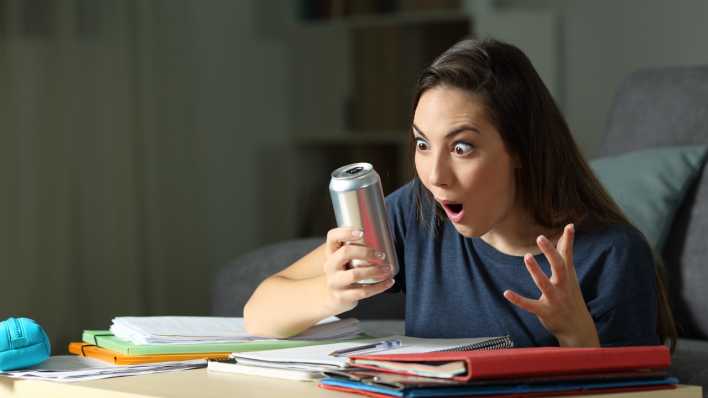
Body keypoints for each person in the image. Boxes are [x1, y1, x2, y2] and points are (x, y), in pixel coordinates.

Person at [243, 38, 676, 349]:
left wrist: (574, 333)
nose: (435, 175)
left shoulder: (612, 256)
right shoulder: (416, 213)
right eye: (422, 143)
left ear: (520, 149)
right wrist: (335, 293)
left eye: (462, 147)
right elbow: (259, 313)